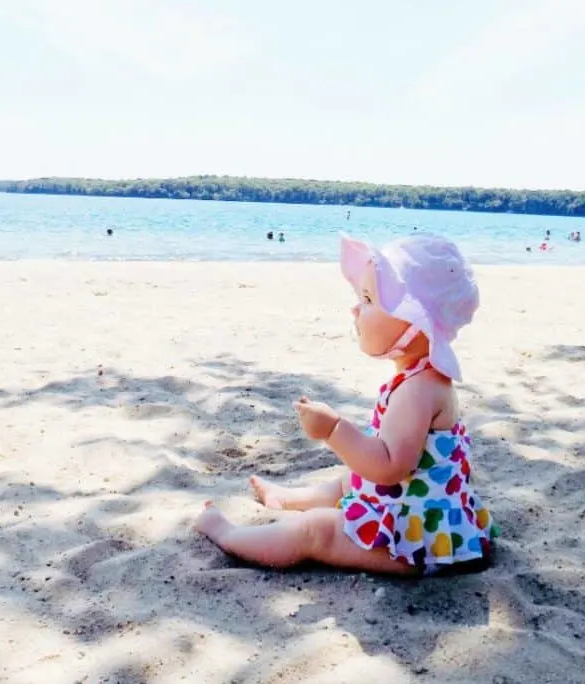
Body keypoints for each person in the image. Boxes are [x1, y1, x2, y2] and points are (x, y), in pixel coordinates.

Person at [194, 232, 498, 574]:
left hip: (418, 542)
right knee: (350, 481)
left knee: (315, 531)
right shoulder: (421, 377)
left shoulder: (419, 390)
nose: (356, 307)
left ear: (416, 322)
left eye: (369, 299)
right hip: (418, 508)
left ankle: (226, 533)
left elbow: (388, 467)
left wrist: (333, 430)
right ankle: (288, 498)